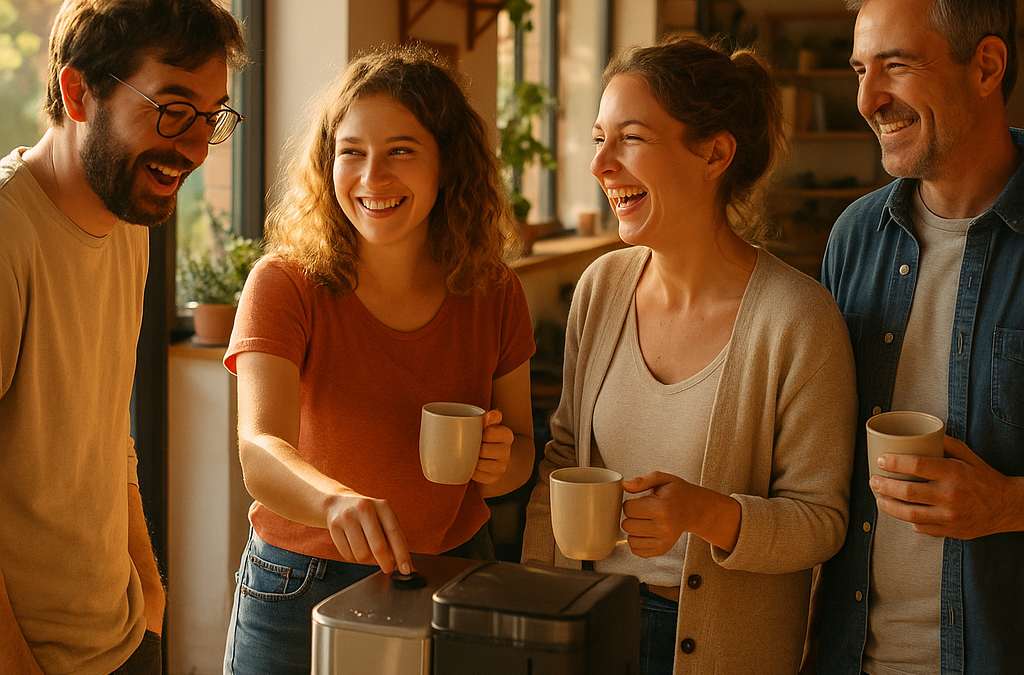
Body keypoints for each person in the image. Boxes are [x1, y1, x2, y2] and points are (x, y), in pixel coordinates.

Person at [520, 36, 858, 675]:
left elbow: (820, 522)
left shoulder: (798, 319)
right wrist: (535, 611)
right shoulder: (600, 288)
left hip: (720, 650)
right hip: (585, 623)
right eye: (599, 139)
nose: (601, 164)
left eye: (632, 138)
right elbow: (561, 462)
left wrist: (706, 514)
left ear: (715, 154)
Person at [221, 43, 536, 675]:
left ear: (448, 163)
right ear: (327, 162)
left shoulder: (493, 290)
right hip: (299, 584)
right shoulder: (285, 283)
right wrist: (335, 501)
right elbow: (259, 451)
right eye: (352, 152)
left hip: (453, 571)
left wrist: (499, 463)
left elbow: (522, 453)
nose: (372, 178)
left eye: (401, 151)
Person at [0, 1, 246, 674]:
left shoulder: (128, 220)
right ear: (79, 93)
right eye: (173, 109)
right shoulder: (10, 235)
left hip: (124, 637)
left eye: (212, 116)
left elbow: (106, 433)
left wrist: (150, 594)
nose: (196, 148)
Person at [808, 0, 1024, 673]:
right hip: (851, 657)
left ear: (986, 67)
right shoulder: (853, 237)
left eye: (896, 65)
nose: (867, 99)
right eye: (859, 70)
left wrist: (1010, 504)